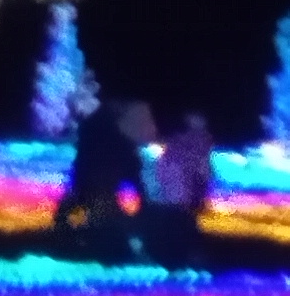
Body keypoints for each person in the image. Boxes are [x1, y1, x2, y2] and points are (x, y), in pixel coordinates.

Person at [58, 100, 150, 260]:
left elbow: (80, 174)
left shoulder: (91, 140)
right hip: (103, 202)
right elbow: (136, 180)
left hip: (93, 199)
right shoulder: (121, 144)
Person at [144, 110, 217, 272]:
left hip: (174, 192)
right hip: (181, 191)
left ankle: (173, 257)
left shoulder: (181, 140)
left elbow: (198, 167)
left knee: (177, 221)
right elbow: (202, 168)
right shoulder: (199, 140)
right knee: (182, 222)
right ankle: (183, 258)